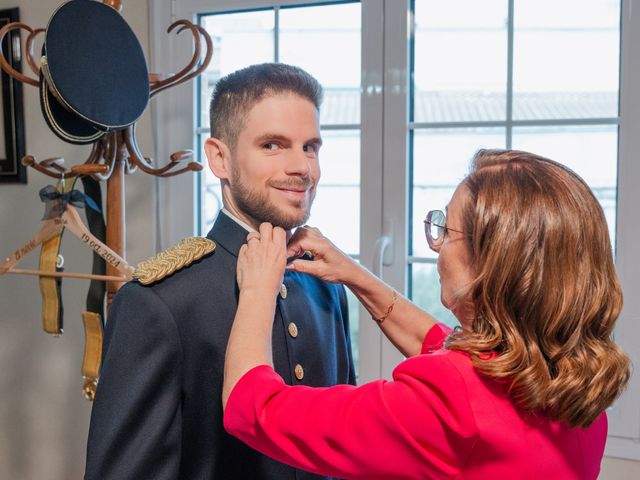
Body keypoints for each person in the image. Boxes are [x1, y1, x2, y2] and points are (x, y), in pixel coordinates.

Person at [222, 149, 631, 480]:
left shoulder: (452, 403)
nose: (436, 247)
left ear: (488, 263)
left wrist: (258, 288)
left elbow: (254, 409)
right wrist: (355, 275)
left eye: (445, 231)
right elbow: (456, 352)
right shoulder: (575, 377)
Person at [85, 63, 356, 480]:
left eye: (310, 147)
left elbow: (344, 446)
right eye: (272, 145)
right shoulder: (160, 302)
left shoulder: (325, 283)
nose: (302, 167)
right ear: (220, 158)